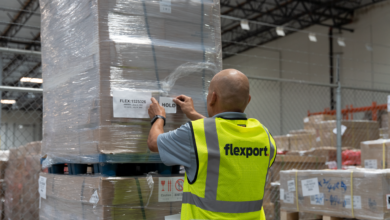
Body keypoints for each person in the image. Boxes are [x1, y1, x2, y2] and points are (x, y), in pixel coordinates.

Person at [147, 69, 277, 220]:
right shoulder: (265, 137)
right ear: (248, 100)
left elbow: (154, 142)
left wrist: (158, 117)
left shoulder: (195, 133)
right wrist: (193, 113)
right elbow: (224, 136)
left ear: (213, 97)